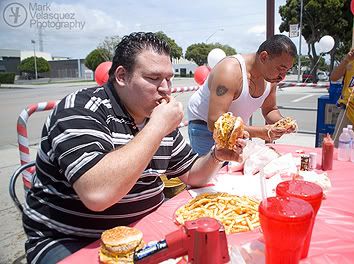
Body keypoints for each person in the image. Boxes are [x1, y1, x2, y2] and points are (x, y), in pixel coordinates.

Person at [22, 32, 245, 264]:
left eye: (169, 78)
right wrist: (157, 127)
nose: (166, 89)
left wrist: (216, 155)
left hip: (146, 228)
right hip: (71, 240)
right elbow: (97, 194)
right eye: (154, 78)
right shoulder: (80, 109)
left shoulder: (155, 114)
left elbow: (191, 173)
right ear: (121, 76)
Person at [187, 34, 297, 156]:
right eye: (280, 69)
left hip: (236, 129)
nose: (282, 76)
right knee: (209, 174)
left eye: (287, 70)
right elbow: (214, 122)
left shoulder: (271, 78)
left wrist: (282, 123)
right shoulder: (230, 70)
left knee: (233, 171)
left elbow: (269, 109)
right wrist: (260, 132)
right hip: (205, 128)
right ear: (264, 57)